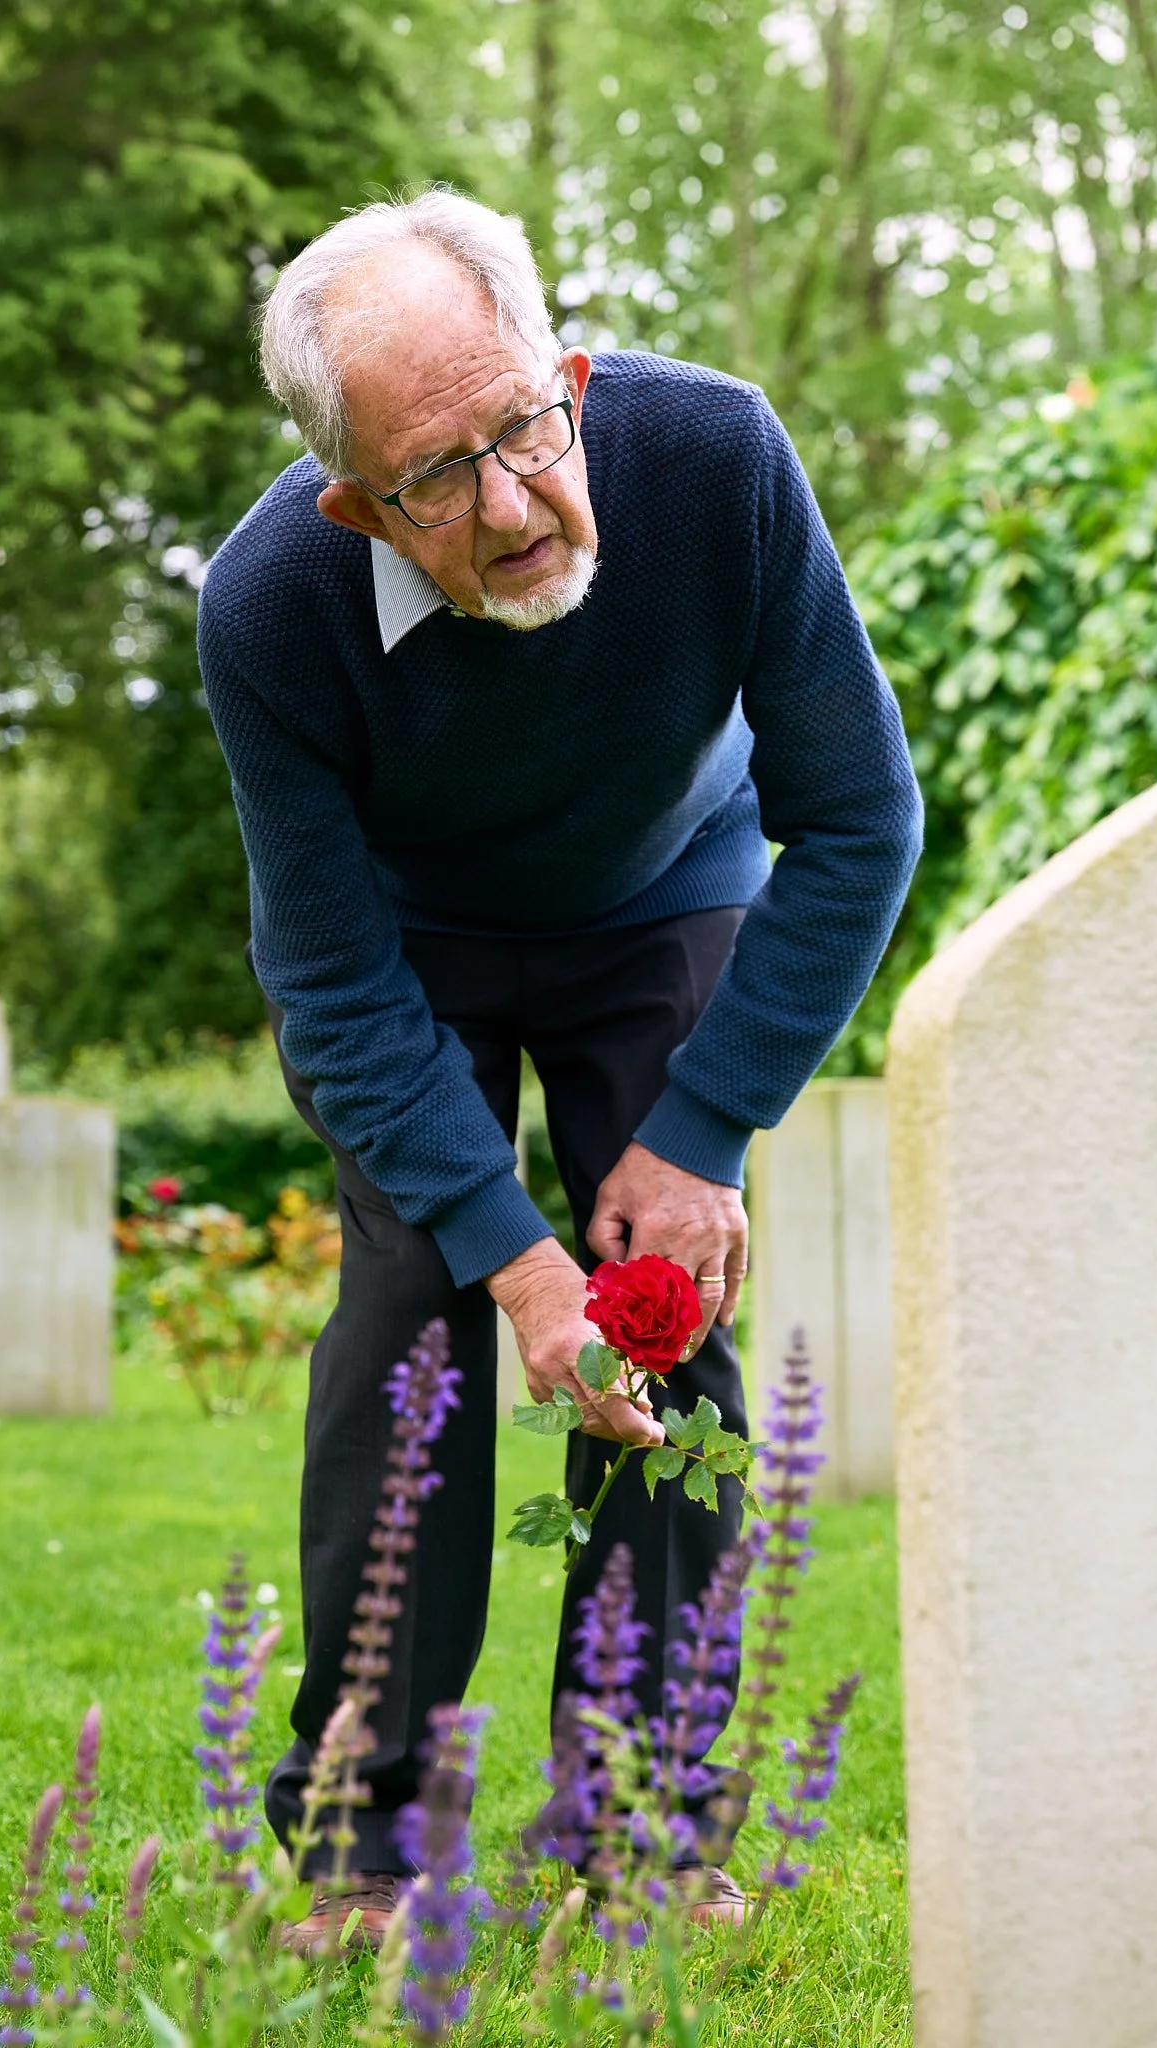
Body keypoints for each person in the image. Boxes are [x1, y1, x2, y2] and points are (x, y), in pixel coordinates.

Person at [197, 188, 922, 1950]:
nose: (514, 505)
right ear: (354, 501)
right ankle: (365, 1840)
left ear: (573, 377)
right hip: (412, 949)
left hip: (664, 898)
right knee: (411, 1329)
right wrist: (510, 1258)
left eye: (528, 427)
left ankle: (648, 1833)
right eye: (438, 480)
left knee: (664, 1314)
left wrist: (708, 1127)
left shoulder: (719, 459)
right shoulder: (269, 606)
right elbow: (328, 973)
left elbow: (858, 816)